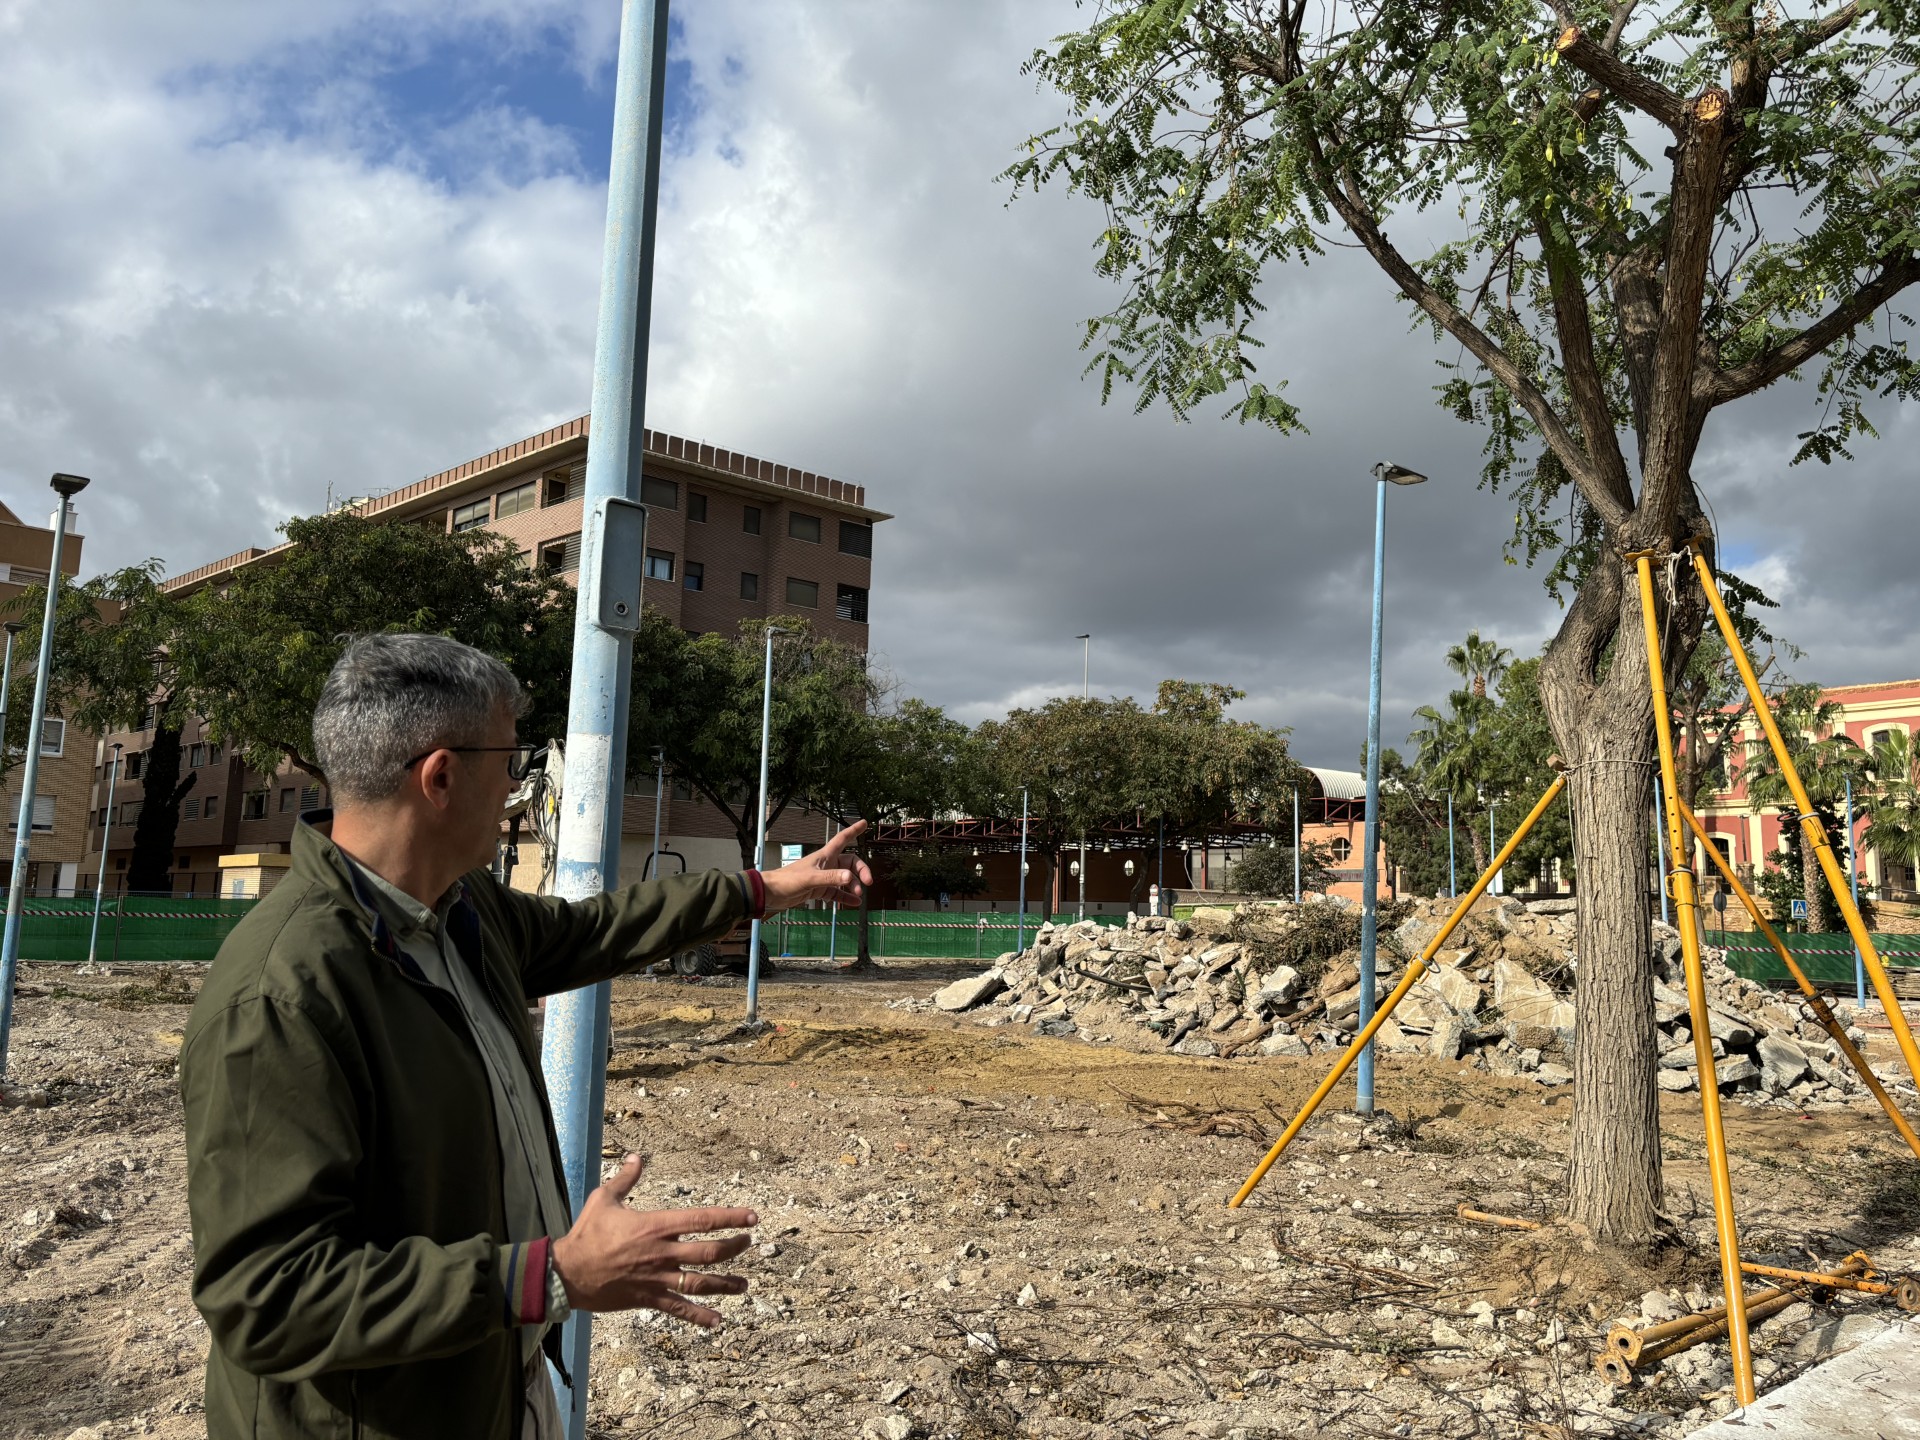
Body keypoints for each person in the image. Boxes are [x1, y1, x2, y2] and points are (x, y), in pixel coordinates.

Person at [180, 633, 870, 1439]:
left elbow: (598, 929)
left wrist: (761, 889)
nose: (517, 788)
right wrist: (550, 1276)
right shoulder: (283, 994)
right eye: (511, 763)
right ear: (441, 777)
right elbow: (270, 1296)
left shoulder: (461, 912)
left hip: (487, 1387)